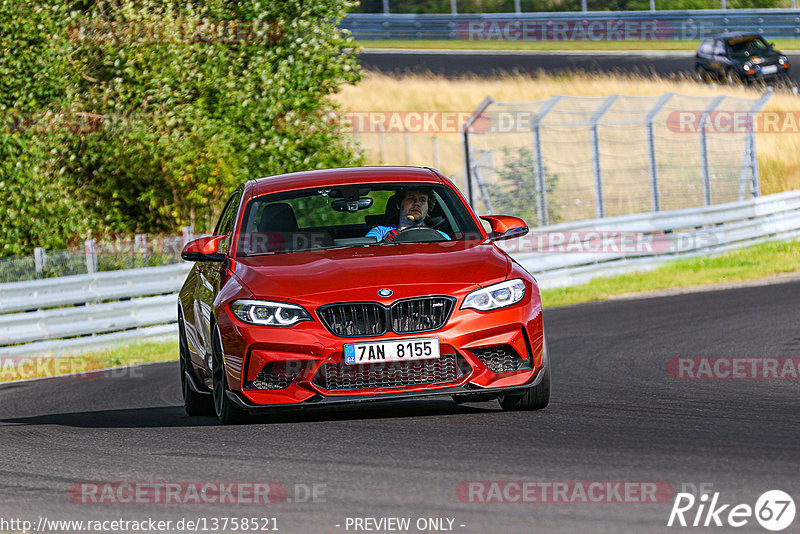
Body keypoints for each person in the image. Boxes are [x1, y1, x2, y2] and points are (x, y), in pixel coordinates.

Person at [366, 189, 449, 242]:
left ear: (428, 208)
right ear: (399, 204)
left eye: (422, 200)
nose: (417, 203)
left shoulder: (440, 236)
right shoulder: (380, 233)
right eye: (411, 198)